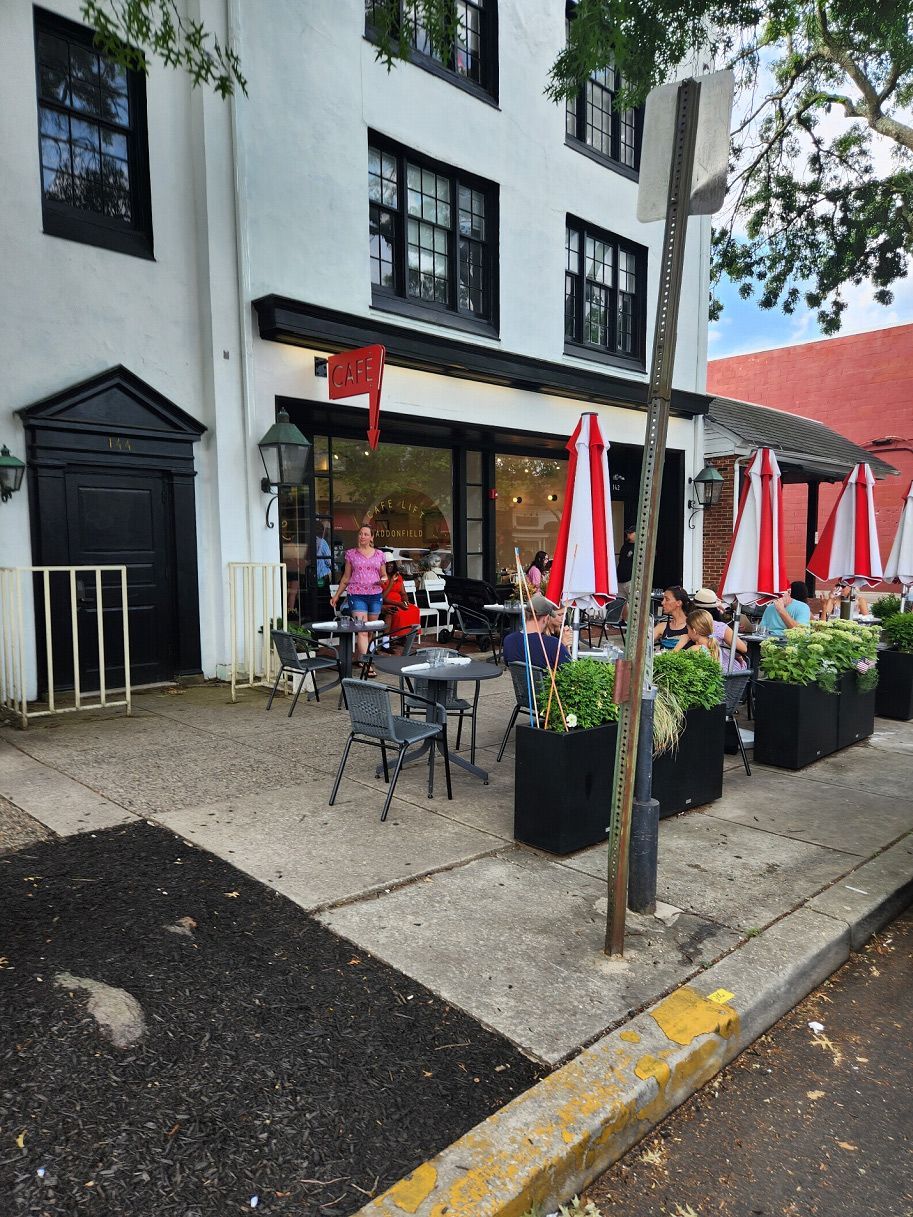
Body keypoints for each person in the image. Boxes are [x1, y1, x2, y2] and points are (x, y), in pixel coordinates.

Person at [330, 524, 388, 662]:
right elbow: (346, 577)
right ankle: (366, 663)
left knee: (370, 630)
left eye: (366, 534)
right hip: (356, 595)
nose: (362, 536)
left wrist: (383, 580)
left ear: (371, 537)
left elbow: (384, 575)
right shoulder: (351, 554)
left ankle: (360, 656)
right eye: (360, 534)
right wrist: (337, 595)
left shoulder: (380, 554)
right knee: (362, 630)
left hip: (375, 595)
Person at [502, 594, 571, 668]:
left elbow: (508, 664)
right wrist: (565, 646)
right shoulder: (552, 644)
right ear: (546, 618)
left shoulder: (508, 640)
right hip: (548, 679)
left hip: (519, 679)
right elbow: (569, 671)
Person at [690, 587, 748, 668]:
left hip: (701, 669)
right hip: (724, 668)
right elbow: (743, 649)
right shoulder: (720, 627)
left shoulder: (689, 624)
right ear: (715, 608)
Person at [381, 561, 420, 649]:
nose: (390, 565)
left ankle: (405, 636)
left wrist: (405, 601)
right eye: (387, 563)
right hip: (388, 602)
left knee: (414, 610)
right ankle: (394, 637)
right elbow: (383, 598)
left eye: (392, 563)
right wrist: (399, 604)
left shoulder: (398, 577)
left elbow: (403, 593)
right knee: (398, 612)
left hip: (400, 602)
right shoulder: (382, 577)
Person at [652, 586, 691, 650]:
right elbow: (645, 642)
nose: (662, 603)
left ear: (678, 603)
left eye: (667, 599)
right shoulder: (662, 626)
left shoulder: (692, 625)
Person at [616, 524, 635, 599]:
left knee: (632, 604)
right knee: (620, 604)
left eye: (630, 533)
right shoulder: (625, 546)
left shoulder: (639, 547)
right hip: (620, 580)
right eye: (628, 533)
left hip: (630, 581)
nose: (628, 535)